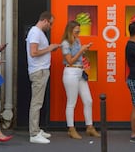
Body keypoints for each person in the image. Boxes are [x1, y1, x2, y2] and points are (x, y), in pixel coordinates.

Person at [61, 20, 100, 139]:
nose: (78, 31)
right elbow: (70, 61)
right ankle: (71, 129)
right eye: (76, 29)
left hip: (80, 72)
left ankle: (90, 127)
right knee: (71, 102)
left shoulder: (77, 40)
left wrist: (84, 50)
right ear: (70, 30)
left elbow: (77, 57)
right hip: (71, 72)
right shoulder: (65, 43)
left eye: (79, 30)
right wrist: (81, 50)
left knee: (88, 100)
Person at [26, 11, 60, 144]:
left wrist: (51, 48)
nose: (50, 27)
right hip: (38, 70)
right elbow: (33, 52)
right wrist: (50, 48)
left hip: (41, 70)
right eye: (50, 24)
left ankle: (36, 129)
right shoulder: (35, 32)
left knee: (38, 102)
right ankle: (34, 133)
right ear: (45, 20)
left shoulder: (38, 33)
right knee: (36, 103)